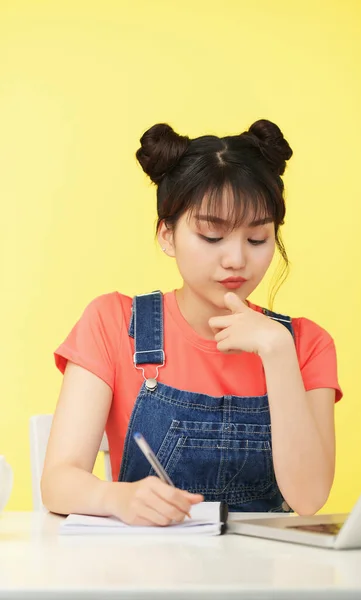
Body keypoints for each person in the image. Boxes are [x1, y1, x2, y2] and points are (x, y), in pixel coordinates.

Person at [41, 119, 342, 526]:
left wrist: (278, 353)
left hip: (263, 582)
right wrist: (116, 498)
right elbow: (58, 481)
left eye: (257, 239)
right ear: (167, 235)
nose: (236, 259)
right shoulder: (113, 323)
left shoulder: (306, 343)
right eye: (212, 237)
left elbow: (308, 499)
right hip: (148, 576)